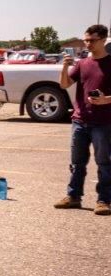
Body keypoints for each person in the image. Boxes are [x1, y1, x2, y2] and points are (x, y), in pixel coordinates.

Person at [56, 24, 111, 215]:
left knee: (104, 162)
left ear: (104, 39)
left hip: (104, 122)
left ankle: (104, 200)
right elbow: (64, 84)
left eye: (92, 40)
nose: (87, 44)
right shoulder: (82, 64)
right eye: (86, 40)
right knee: (77, 163)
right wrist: (64, 67)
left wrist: (106, 100)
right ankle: (73, 197)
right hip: (80, 120)